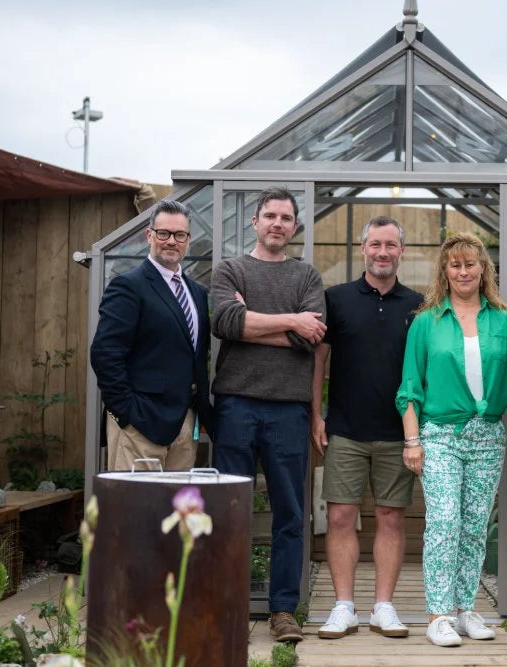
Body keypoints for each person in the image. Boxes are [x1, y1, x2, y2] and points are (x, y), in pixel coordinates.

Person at [396, 232, 507, 648]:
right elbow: (409, 388)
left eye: (471, 264)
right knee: (444, 522)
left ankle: (464, 608)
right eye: (456, 265)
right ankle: (438, 615)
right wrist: (412, 441)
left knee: (473, 526)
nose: (464, 271)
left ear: (483, 269)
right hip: (440, 435)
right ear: (445, 271)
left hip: (488, 435)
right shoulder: (427, 321)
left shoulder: (503, 321)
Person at [209, 186, 326, 643]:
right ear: (255, 221)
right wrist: (291, 320)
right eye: (270, 216)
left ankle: (283, 611)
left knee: (289, 514)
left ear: (294, 227)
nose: (278, 223)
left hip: (288, 411)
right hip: (235, 405)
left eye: (286, 218)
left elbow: (311, 338)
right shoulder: (230, 269)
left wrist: (249, 321)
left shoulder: (306, 276)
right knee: (229, 511)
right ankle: (228, 606)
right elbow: (224, 322)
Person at [311, 216, 423, 640]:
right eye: (375, 244)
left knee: (392, 518)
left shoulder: (418, 306)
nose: (382, 252)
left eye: (390, 245)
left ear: (401, 251)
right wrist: (315, 414)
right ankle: (344, 606)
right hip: (345, 429)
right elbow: (318, 361)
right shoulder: (336, 299)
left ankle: (383, 607)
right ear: (363, 249)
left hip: (398, 434)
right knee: (341, 516)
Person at [90, 199, 213, 472]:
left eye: (179, 235)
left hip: (184, 428)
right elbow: (105, 354)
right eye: (163, 233)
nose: (171, 241)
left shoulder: (197, 293)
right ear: (149, 235)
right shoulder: (128, 286)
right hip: (139, 428)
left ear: (188, 240)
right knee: (136, 501)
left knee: (176, 502)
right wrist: (127, 414)